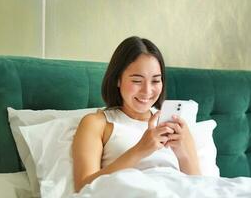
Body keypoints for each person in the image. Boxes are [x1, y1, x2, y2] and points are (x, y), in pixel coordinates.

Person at [71, 36, 200, 192]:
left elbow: (199, 185)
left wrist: (181, 152)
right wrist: (140, 149)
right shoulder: (97, 123)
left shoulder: (175, 124)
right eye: (137, 80)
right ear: (118, 79)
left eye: (155, 81)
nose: (147, 91)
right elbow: (83, 187)